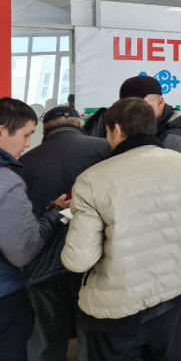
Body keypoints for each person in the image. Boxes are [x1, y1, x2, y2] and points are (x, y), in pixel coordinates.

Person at [61, 97, 181, 360]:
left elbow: (77, 260)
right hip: (175, 294)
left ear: (117, 129)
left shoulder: (92, 179)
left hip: (119, 310)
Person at [14, 105, 110, 361]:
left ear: (44, 132)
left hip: (43, 265)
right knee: (93, 335)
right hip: (93, 260)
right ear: (79, 124)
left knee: (47, 339)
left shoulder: (23, 163)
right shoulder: (106, 150)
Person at [119, 75, 181, 273]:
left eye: (139, 106)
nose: (132, 114)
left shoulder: (175, 139)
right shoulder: (153, 131)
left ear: (160, 101)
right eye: (126, 107)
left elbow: (179, 198)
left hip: (179, 244)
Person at [0, 98, 69, 361]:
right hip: (6, 297)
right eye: (26, 134)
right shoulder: (7, 182)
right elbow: (23, 250)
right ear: (2, 130)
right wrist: (56, 214)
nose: (29, 144)